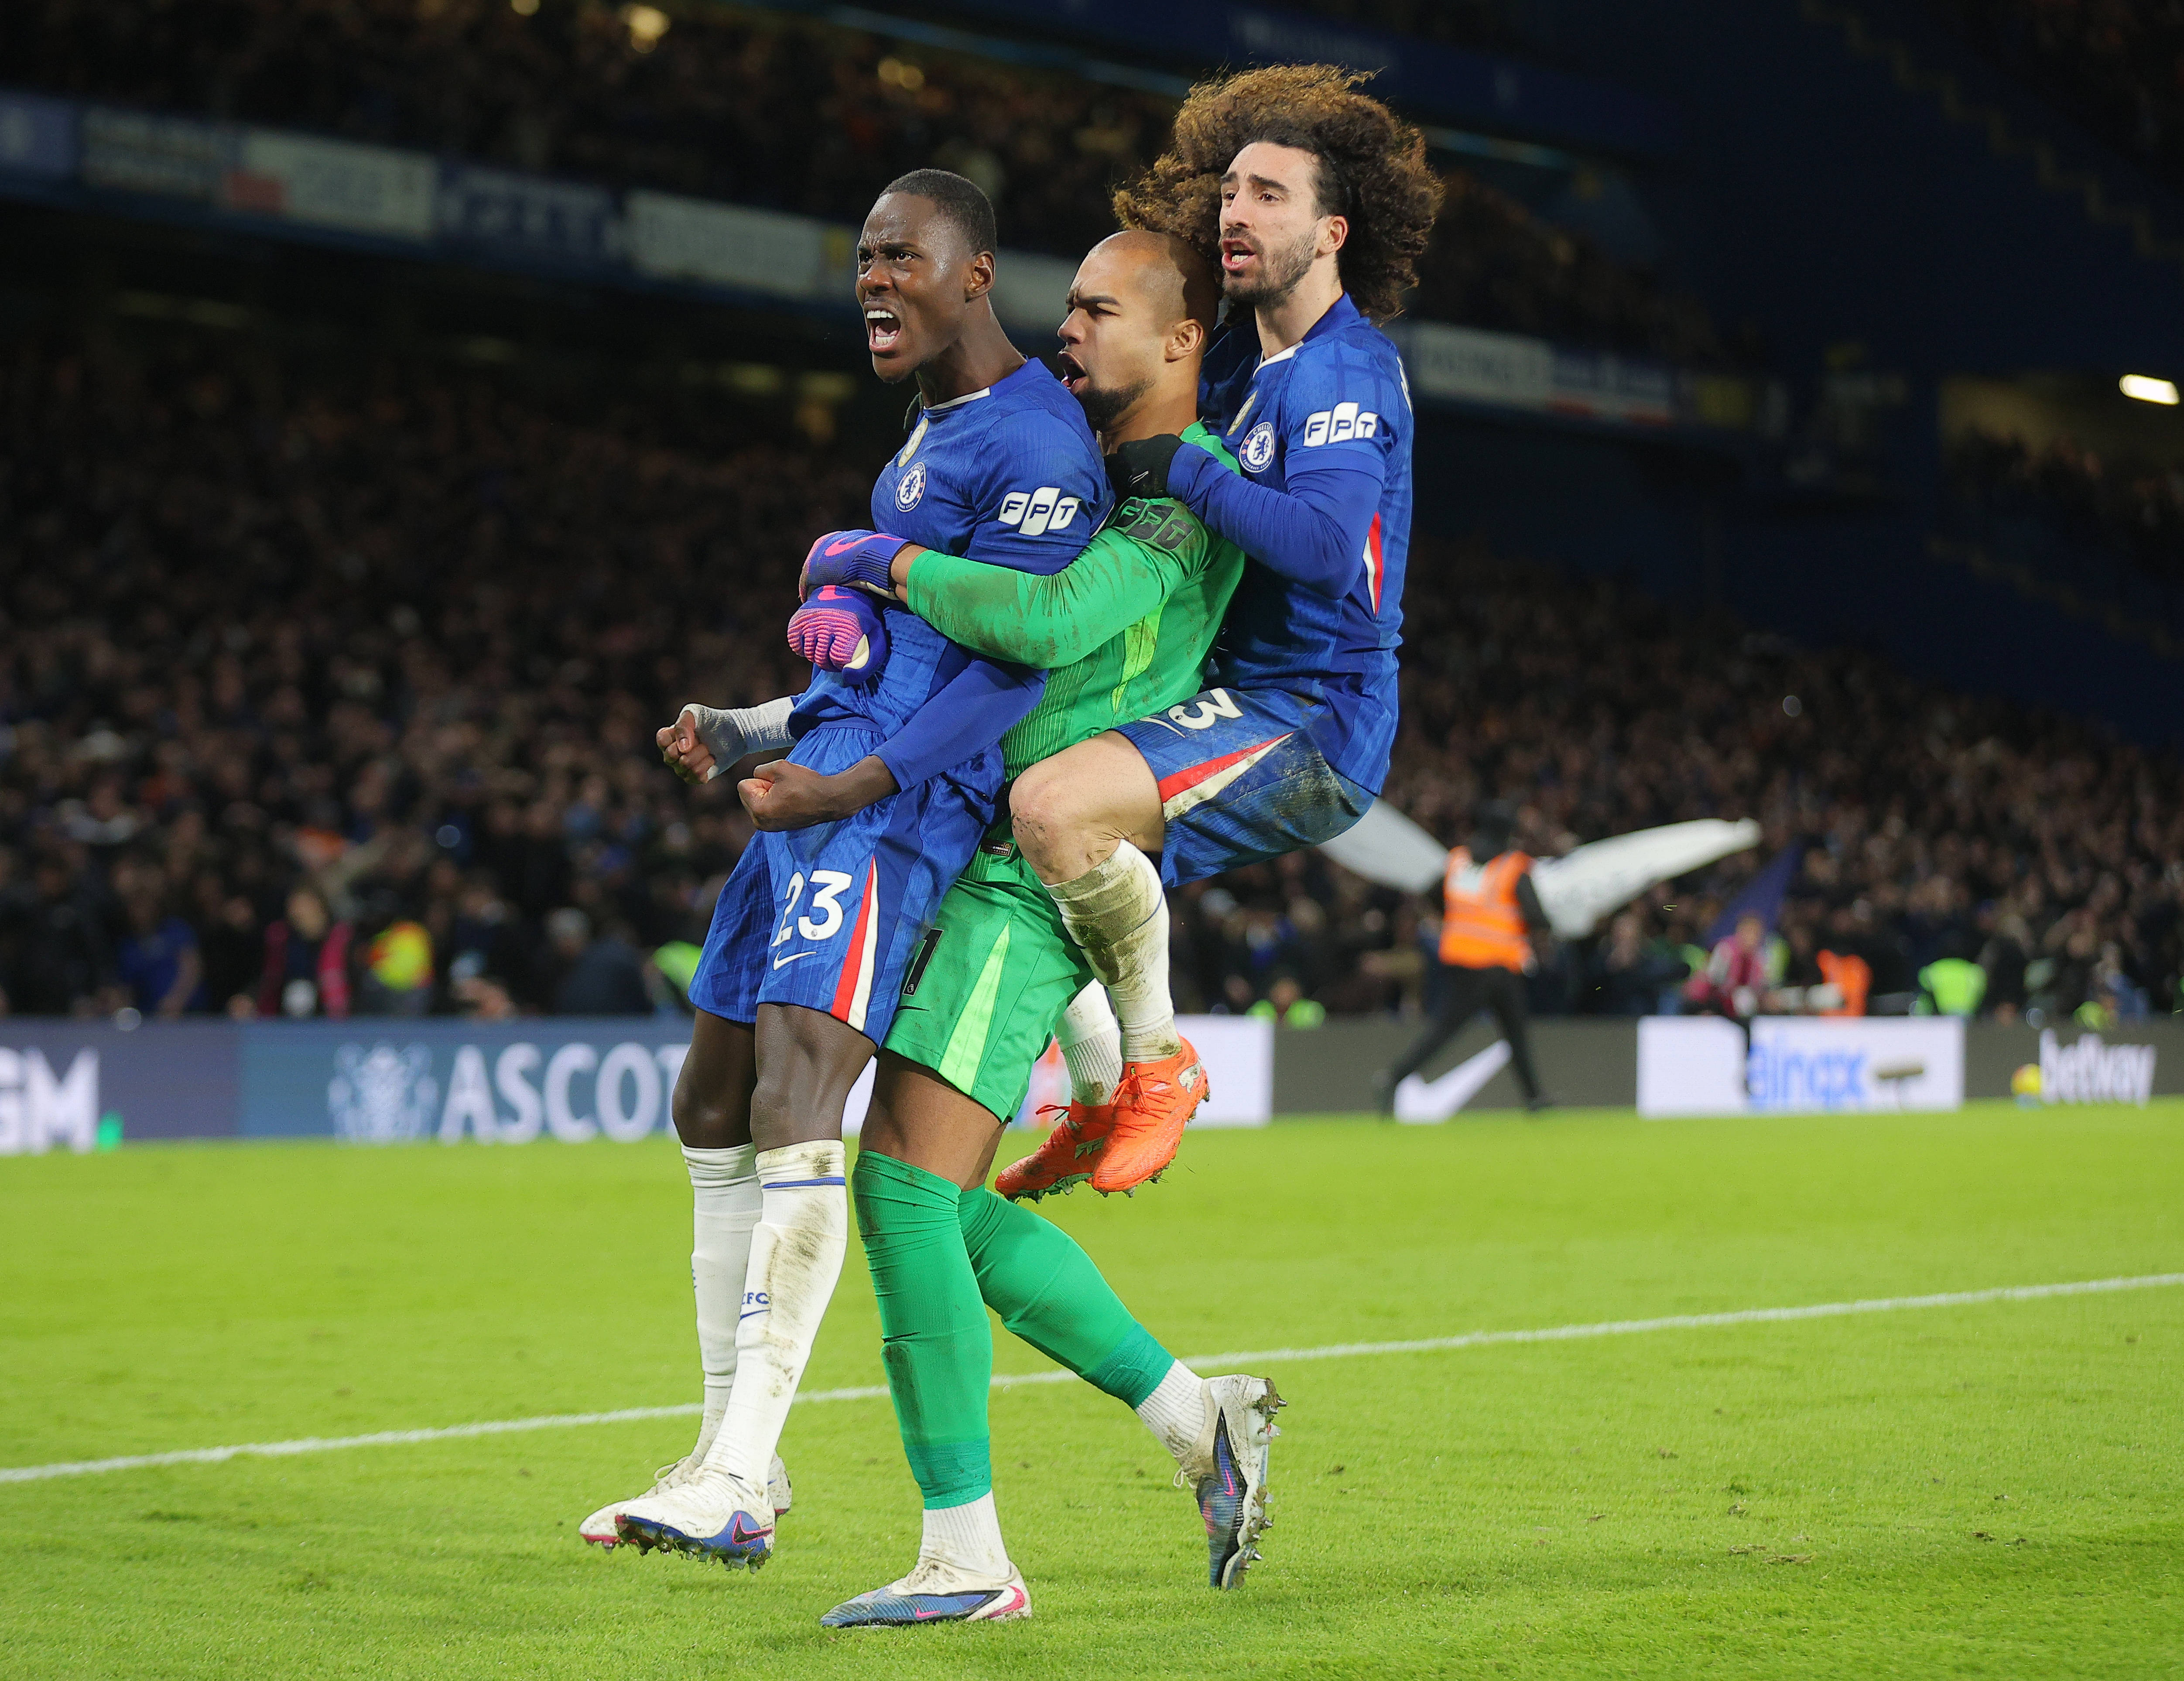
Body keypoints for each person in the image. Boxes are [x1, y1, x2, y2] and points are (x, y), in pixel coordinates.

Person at [580, 171, 1108, 1568]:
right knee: (709, 1102)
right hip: (815, 792)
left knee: (802, 1086)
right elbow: (882, 657)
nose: (874, 280)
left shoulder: (1041, 449)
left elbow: (1010, 670)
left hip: (897, 811)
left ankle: (742, 1473)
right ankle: (721, 1453)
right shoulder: (915, 449)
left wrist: (858, 784)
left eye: (903, 257)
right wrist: (752, 726)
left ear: (977, 271)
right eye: (864, 258)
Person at [812, 64, 1442, 1198]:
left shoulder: (1345, 372)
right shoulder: (1253, 359)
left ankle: (1157, 1067)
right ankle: (1100, 1094)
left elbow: (1316, 546)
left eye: (1270, 195)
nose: (1237, 213)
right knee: (1006, 806)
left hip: (1311, 715)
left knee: (1052, 804)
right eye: (1232, 192)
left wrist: (1184, 469)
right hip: (1225, 688)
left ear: (1331, 230)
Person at [796, 229, 1281, 1627]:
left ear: (1185, 340)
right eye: (1062, 305)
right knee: (945, 1204)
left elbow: (1060, 619)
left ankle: (966, 1558)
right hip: (982, 845)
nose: (1063, 331)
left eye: (1096, 310)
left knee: (895, 1187)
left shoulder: (1191, 507)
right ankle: (1202, 1419)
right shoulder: (1103, 468)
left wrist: (876, 559)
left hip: (1032, 877)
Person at [1377, 803, 1552, 1111]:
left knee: (1499, 1030)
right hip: (1498, 964)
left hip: (1461, 959)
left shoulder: (1458, 860)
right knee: (1486, 1032)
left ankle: (1535, 1098)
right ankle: (1394, 1077)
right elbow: (1537, 916)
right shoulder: (1512, 866)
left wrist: (1456, 920)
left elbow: (1432, 893)